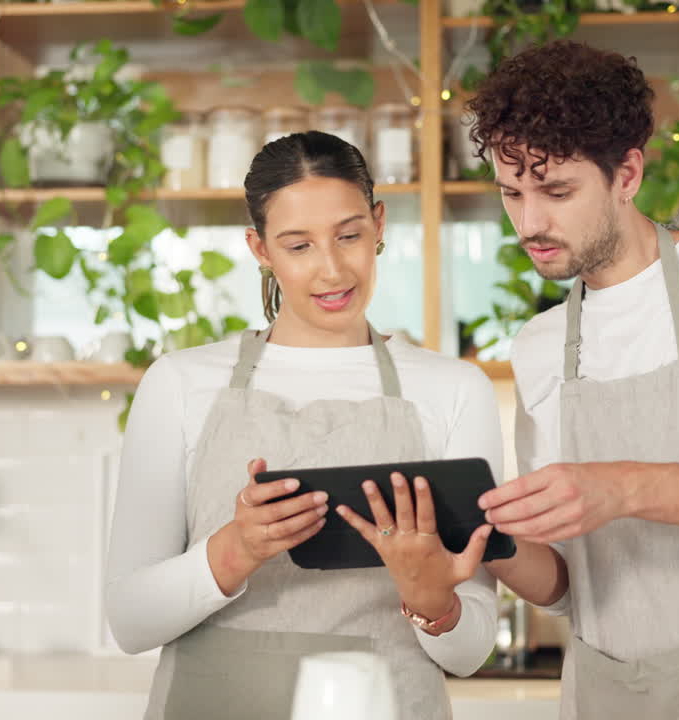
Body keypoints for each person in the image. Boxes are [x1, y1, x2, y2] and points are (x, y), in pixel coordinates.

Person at [469, 40, 679, 720]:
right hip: (609, 696)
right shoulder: (540, 348)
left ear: (627, 174)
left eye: (557, 191)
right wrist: (490, 543)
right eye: (511, 193)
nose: (529, 222)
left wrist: (618, 487)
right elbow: (573, 586)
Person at [104, 131, 502, 720]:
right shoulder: (180, 384)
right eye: (298, 246)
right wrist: (235, 550)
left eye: (349, 235)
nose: (332, 269)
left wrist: (430, 598)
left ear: (379, 225)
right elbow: (130, 621)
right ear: (259, 248)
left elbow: (470, 653)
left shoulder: (453, 389)